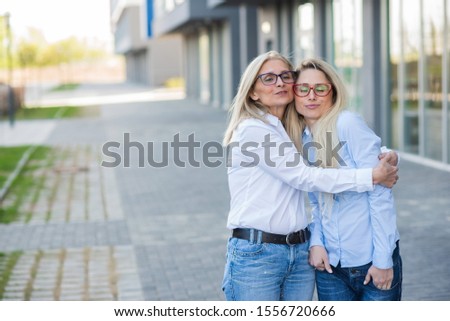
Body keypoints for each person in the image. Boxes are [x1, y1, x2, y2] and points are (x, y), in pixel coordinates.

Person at [221, 51, 398, 301]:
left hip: (299, 255)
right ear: (253, 91)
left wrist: (387, 155)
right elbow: (304, 178)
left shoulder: (293, 131)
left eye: (285, 75)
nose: (280, 82)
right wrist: (370, 175)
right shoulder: (253, 130)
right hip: (258, 255)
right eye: (268, 78)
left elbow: (354, 145)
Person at [292, 57, 402, 300]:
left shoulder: (348, 124)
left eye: (320, 89)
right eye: (303, 89)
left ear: (333, 92)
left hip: (371, 262)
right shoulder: (303, 140)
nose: (312, 96)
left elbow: (381, 192)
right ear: (294, 94)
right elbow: (317, 201)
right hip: (331, 267)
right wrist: (317, 243)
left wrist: (383, 260)